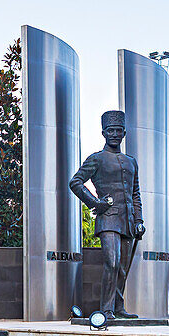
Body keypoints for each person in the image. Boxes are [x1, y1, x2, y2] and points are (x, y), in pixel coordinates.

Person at [69, 109, 145, 319]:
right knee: (111, 262)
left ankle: (119, 308)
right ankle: (107, 309)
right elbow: (75, 182)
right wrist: (95, 203)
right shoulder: (96, 159)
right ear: (104, 133)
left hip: (128, 222)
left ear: (124, 133)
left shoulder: (131, 161)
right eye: (110, 130)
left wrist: (139, 219)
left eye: (118, 131)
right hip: (108, 219)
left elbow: (135, 193)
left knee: (122, 267)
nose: (114, 134)